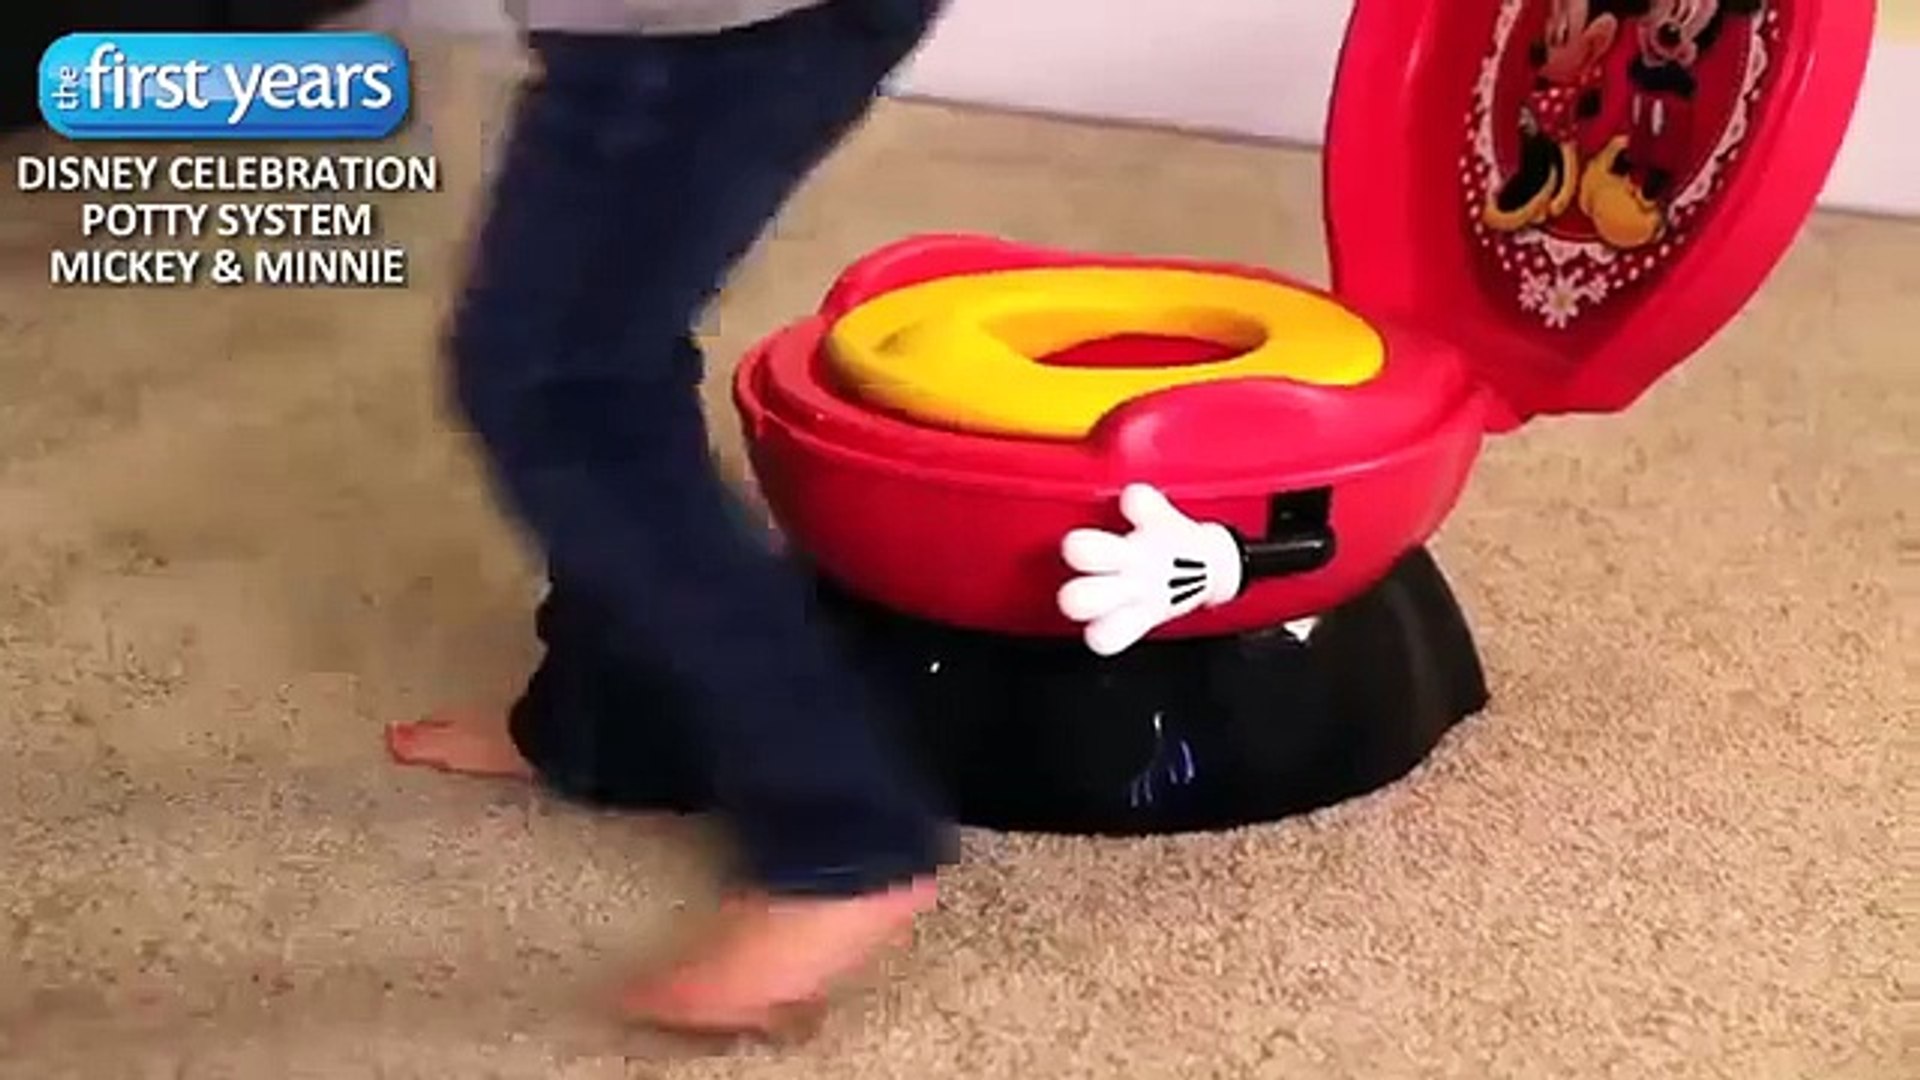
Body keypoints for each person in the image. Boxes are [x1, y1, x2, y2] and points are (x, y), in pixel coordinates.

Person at [383, 0, 955, 1040]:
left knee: (559, 389)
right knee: (604, 353)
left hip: (708, 28)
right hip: (695, 26)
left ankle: (847, 835)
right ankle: (604, 724)